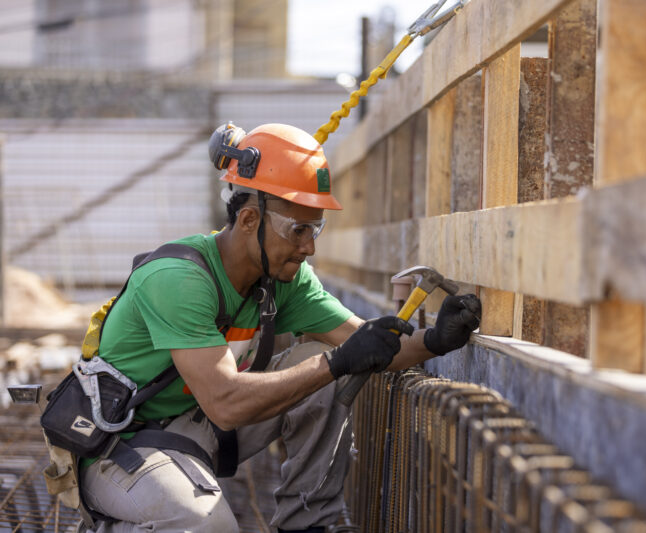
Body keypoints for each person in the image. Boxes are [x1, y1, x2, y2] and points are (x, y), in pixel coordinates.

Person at [77, 123, 481, 533]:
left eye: (315, 229)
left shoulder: (283, 279)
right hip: (121, 445)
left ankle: (306, 525)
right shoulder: (178, 280)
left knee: (321, 362)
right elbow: (226, 404)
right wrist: (336, 362)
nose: (310, 247)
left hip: (200, 429)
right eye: (298, 230)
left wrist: (435, 340)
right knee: (208, 527)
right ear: (249, 219)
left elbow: (368, 343)